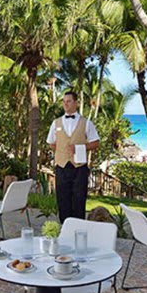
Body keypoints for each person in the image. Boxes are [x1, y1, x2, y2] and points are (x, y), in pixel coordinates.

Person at [46, 91, 100, 222]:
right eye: (64, 101)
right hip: (62, 166)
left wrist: (80, 148)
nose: (65, 104)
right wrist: (62, 153)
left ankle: (78, 231)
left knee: (79, 200)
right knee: (62, 200)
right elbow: (51, 143)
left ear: (76, 103)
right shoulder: (56, 123)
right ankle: (64, 229)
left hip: (79, 168)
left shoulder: (86, 123)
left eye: (68, 101)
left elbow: (96, 143)